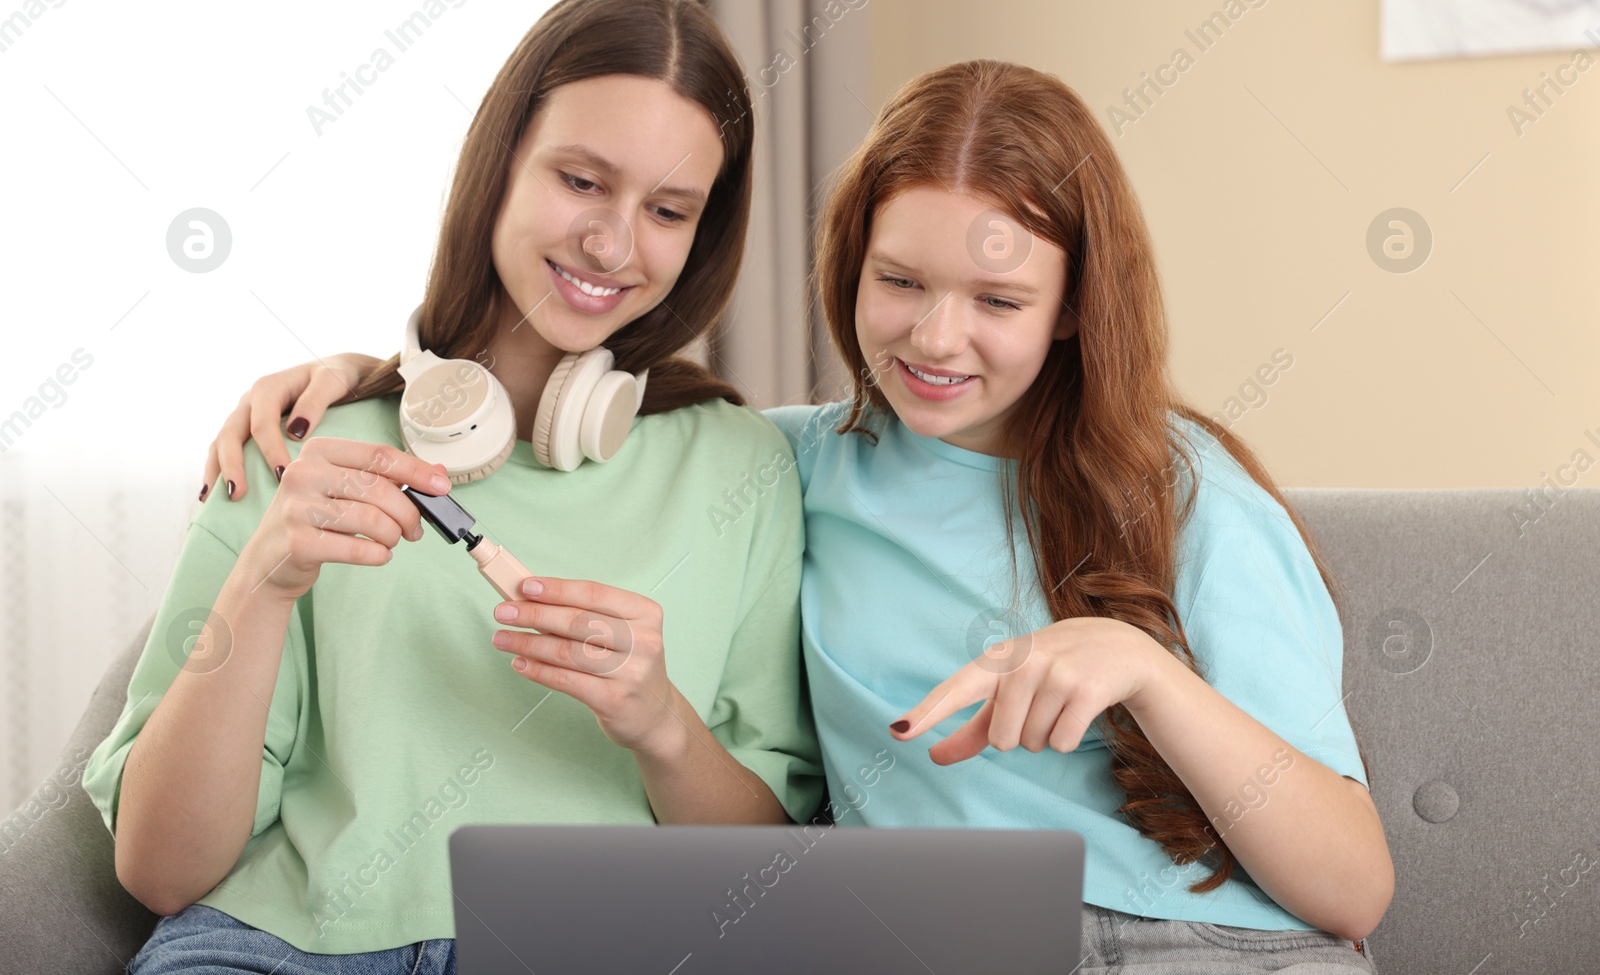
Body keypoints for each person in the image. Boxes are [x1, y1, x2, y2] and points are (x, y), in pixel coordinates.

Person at [200, 60, 1393, 971]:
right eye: (900, 281)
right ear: (847, 269)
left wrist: (1140, 666)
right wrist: (374, 381)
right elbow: (564, 430)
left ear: (1075, 306)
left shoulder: (1185, 490)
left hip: (1218, 947)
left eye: (997, 298)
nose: (934, 337)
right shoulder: (777, 467)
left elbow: (1354, 889)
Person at [82, 0, 823, 974]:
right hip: (281, 950)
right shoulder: (301, 442)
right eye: (581, 179)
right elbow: (161, 871)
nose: (612, 242)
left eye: (668, 208)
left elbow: (770, 880)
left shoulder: (744, 467)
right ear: (500, 164)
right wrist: (263, 579)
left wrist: (660, 724)